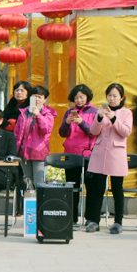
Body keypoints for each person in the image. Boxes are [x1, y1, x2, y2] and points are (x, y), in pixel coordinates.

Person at [85, 83, 133, 234]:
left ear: (121, 97)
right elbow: (93, 131)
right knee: (96, 189)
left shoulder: (126, 113)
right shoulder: (101, 112)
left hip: (116, 154)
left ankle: (118, 221)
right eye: (109, 96)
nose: (111, 99)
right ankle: (94, 220)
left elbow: (125, 132)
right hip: (100, 153)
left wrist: (113, 119)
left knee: (117, 189)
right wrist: (99, 117)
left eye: (115, 96)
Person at [58, 84, 98, 224]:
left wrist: (81, 123)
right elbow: (62, 133)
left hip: (87, 154)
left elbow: (94, 131)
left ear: (87, 97)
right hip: (70, 154)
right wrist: (67, 123)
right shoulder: (69, 112)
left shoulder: (95, 112)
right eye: (76, 97)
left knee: (90, 187)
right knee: (71, 187)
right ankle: (71, 217)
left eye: (81, 97)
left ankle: (90, 218)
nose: (79, 100)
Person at [13, 85, 57, 186]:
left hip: (38, 153)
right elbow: (17, 132)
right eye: (34, 96)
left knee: (39, 182)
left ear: (44, 99)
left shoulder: (48, 114)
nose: (37, 99)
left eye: (40, 97)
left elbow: (46, 130)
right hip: (24, 153)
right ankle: (28, 202)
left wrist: (38, 115)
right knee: (27, 183)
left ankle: (39, 202)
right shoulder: (23, 113)